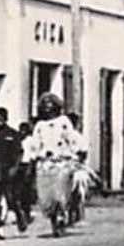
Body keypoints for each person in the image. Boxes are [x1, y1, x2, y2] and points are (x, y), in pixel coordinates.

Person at [21, 93, 89, 237]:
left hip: (61, 162)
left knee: (60, 193)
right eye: (45, 104)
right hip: (45, 164)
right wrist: (31, 159)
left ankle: (61, 217)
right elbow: (35, 144)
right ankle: (53, 219)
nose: (48, 107)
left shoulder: (63, 122)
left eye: (50, 104)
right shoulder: (39, 125)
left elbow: (72, 138)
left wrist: (78, 152)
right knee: (47, 197)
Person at [0, 108, 26, 239]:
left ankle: (20, 216)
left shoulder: (13, 134)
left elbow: (19, 153)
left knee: (11, 199)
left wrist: (15, 168)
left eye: (0, 118)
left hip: (8, 171)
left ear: (5, 118)